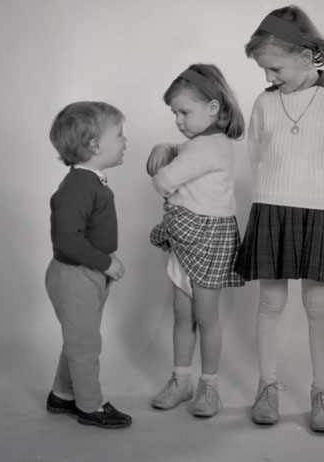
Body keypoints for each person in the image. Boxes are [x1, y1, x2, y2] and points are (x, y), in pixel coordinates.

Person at [234, 5, 324, 432]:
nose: (268, 77)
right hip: (272, 207)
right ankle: (267, 386)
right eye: (264, 70)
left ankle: (322, 392)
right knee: (270, 303)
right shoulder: (264, 103)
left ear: (307, 57)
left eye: (274, 68)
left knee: (318, 306)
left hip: (321, 212)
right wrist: (275, 193)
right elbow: (257, 155)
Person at [146, 64, 245, 418]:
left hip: (206, 237)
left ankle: (209, 385)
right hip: (186, 235)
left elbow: (163, 181)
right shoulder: (202, 143)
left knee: (204, 316)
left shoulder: (209, 148)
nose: (178, 120)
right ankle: (181, 380)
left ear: (213, 108)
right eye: (174, 113)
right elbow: (183, 149)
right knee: (182, 312)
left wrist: (163, 160)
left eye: (184, 112)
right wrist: (164, 145)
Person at [44, 101, 132, 429]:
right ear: (94, 145)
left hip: (88, 273)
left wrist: (104, 263)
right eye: (119, 134)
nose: (125, 140)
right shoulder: (78, 186)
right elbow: (68, 240)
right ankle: (90, 406)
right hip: (75, 275)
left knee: (79, 339)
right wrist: (106, 262)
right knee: (85, 345)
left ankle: (62, 394)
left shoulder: (90, 181)